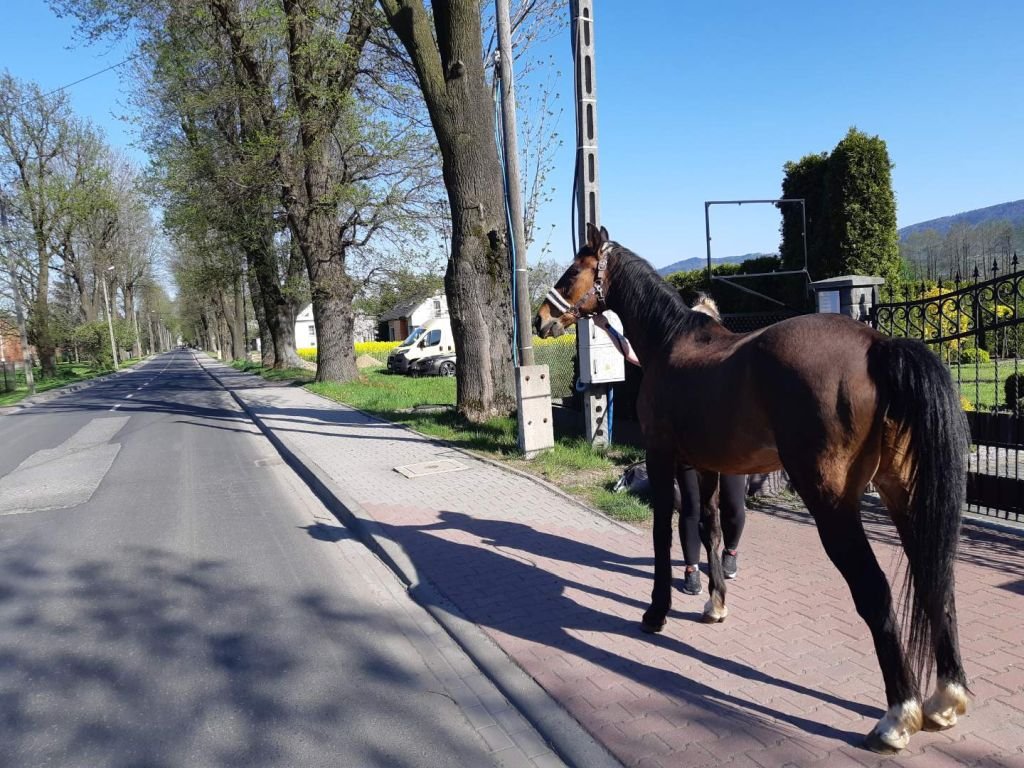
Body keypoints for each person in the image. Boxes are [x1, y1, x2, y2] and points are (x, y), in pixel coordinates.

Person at [594, 296, 747, 597]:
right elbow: (634, 355)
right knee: (690, 505)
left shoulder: (730, 358)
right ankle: (691, 567)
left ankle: (730, 550)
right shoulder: (676, 358)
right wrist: (608, 328)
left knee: (732, 503)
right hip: (689, 443)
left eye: (703, 321)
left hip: (728, 444)